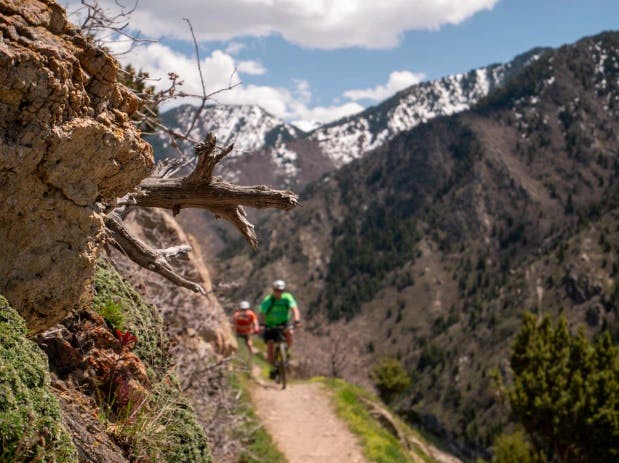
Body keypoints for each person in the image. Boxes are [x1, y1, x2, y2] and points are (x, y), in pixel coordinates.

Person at [258, 280, 301, 377]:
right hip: (270, 325)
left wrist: (297, 321)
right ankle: (272, 368)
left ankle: (285, 352)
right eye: (277, 290)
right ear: (273, 290)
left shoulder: (287, 298)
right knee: (270, 346)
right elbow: (262, 313)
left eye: (281, 290)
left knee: (290, 333)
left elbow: (295, 309)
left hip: (283, 323)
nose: (279, 292)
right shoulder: (268, 300)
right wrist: (262, 324)